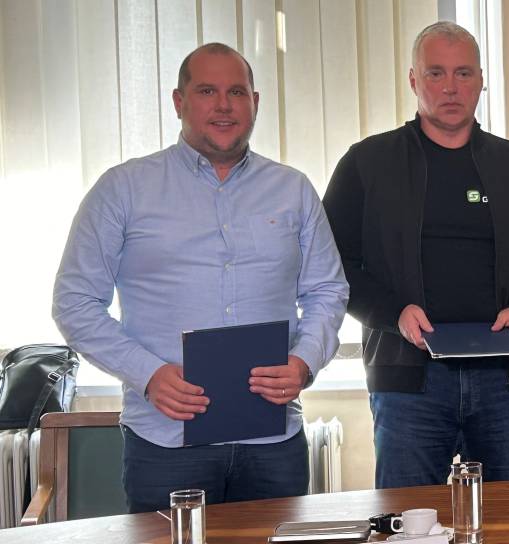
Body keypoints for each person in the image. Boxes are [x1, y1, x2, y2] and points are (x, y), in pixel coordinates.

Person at [52, 43, 349, 512]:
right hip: (166, 443)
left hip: (274, 442)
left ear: (255, 102)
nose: (224, 105)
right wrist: (148, 375)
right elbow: (74, 302)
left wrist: (304, 362)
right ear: (179, 101)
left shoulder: (293, 189)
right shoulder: (123, 189)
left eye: (237, 92)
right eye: (207, 91)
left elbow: (327, 290)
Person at [323, 21, 509, 488]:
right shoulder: (367, 163)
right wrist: (393, 313)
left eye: (463, 73)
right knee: (409, 518)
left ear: (481, 80)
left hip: (502, 380)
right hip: (408, 384)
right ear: (414, 80)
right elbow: (334, 265)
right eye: (436, 73)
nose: (450, 87)